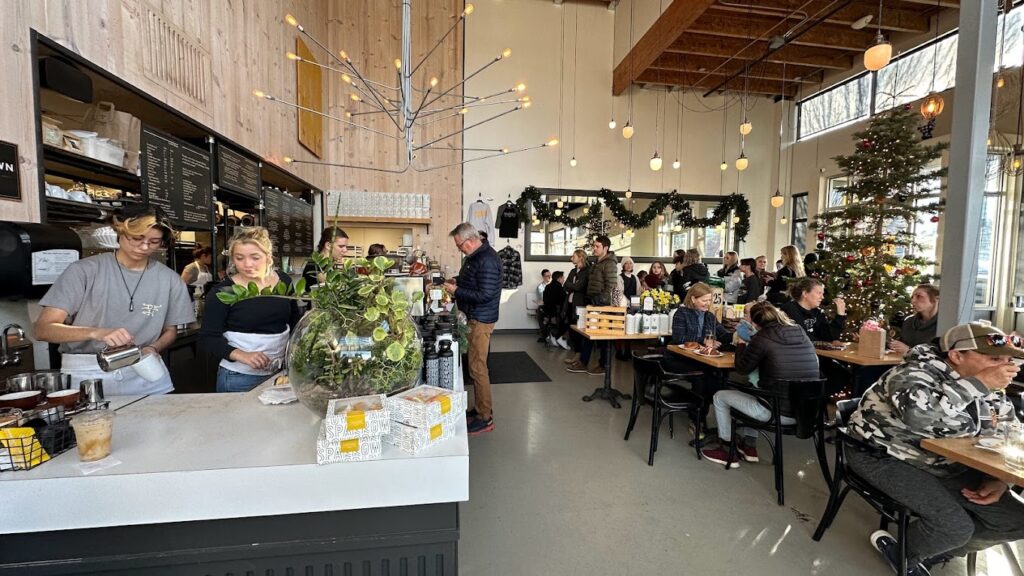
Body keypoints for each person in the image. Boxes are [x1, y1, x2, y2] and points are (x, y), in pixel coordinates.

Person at [847, 323, 1024, 575]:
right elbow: (919, 416)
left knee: (1017, 520)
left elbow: (1008, 430)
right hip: (882, 455)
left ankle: (928, 550)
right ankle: (906, 555)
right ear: (956, 355)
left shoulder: (992, 387)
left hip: (946, 462)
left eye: (1009, 359)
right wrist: (978, 384)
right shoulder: (911, 373)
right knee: (955, 527)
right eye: (994, 358)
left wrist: (999, 479)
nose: (1005, 367)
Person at [34, 205, 194, 395]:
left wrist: (153, 348)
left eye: (154, 241)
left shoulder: (170, 279)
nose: (144, 247)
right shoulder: (83, 271)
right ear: (120, 232)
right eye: (136, 238)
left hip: (144, 369)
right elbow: (43, 329)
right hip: (89, 372)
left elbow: (170, 330)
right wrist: (96, 333)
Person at [700, 301, 820, 467]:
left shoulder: (762, 338)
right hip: (805, 412)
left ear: (755, 323)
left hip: (775, 411)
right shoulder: (799, 331)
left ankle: (727, 451)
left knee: (720, 396)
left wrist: (742, 342)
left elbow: (741, 368)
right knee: (755, 391)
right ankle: (749, 447)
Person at [200, 227, 301, 393]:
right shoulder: (225, 291)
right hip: (238, 377)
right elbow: (208, 338)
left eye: (255, 257)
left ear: (268, 257)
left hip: (281, 373)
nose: (247, 264)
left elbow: (294, 321)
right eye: (239, 258)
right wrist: (241, 355)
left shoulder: (283, 281)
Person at [445, 223, 502, 436]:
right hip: (475, 317)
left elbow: (485, 295)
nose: (459, 249)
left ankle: (485, 417)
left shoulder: (486, 260)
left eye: (460, 246)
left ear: (468, 241)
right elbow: (473, 282)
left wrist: (456, 290)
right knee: (475, 366)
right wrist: (457, 281)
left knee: (478, 368)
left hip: (481, 319)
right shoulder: (477, 257)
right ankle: (480, 408)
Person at [662, 282, 733, 435]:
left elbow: (723, 334)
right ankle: (697, 419)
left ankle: (708, 414)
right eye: (704, 300)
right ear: (693, 299)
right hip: (678, 358)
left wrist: (737, 336)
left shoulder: (709, 316)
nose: (707, 304)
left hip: (700, 359)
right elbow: (679, 338)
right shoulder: (682, 314)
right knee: (702, 376)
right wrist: (704, 341)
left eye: (709, 300)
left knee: (716, 377)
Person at [567, 235, 617, 376]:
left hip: (602, 305)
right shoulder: (598, 262)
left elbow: (611, 287)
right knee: (588, 335)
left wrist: (599, 300)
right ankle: (583, 362)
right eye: (594, 246)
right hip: (593, 303)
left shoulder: (610, 264)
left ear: (605, 248)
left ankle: (603, 365)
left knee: (603, 338)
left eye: (597, 246)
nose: (594, 249)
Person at [781, 277, 846, 343]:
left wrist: (840, 314)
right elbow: (802, 338)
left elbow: (829, 336)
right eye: (819, 293)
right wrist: (823, 344)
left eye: (822, 294)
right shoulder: (790, 310)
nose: (822, 297)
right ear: (805, 293)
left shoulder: (816, 312)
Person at [890, 284, 940, 354]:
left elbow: (940, 356)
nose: (913, 301)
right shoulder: (908, 321)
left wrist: (909, 350)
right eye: (912, 297)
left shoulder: (942, 325)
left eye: (919, 296)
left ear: (936, 299)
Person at [563, 249, 591, 362]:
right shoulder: (573, 271)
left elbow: (579, 287)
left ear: (580, 257)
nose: (571, 258)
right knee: (572, 330)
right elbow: (565, 285)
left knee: (580, 331)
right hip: (570, 304)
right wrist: (573, 285)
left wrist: (572, 285)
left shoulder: (587, 271)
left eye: (573, 256)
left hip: (580, 305)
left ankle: (580, 356)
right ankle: (576, 354)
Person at [543, 271, 569, 349]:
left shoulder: (547, 286)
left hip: (548, 311)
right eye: (563, 278)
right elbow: (564, 301)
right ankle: (560, 338)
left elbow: (545, 300)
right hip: (557, 312)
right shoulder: (560, 288)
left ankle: (552, 336)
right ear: (559, 278)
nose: (564, 280)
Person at [536, 269, 552, 342]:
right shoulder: (540, 287)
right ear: (543, 277)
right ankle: (544, 335)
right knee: (540, 310)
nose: (549, 277)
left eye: (550, 276)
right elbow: (543, 299)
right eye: (547, 276)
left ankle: (550, 335)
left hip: (553, 305)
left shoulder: (554, 285)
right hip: (544, 306)